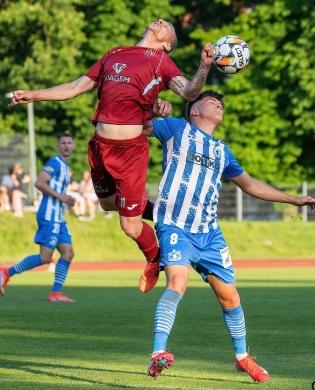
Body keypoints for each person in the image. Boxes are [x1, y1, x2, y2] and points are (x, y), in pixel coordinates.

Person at [9, 19, 215, 292]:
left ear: (167, 45)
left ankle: (155, 257)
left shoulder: (161, 61)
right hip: (100, 146)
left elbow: (189, 92)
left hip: (129, 152)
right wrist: (34, 95)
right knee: (107, 204)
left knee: (130, 226)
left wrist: (204, 66)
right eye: (161, 20)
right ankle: (165, 214)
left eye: (168, 26)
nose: (161, 21)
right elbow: (75, 87)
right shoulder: (114, 53)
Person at [141, 91, 315, 382]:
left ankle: (242, 358)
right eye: (211, 101)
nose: (218, 104)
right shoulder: (176, 128)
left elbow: (250, 184)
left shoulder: (222, 151)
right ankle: (158, 353)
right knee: (177, 282)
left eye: (220, 103)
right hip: (175, 226)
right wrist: (151, 109)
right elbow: (139, 125)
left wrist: (293, 199)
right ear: (194, 111)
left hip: (210, 234)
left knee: (230, 297)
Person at [0, 132, 76, 302]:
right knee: (45, 257)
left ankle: (56, 293)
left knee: (68, 253)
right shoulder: (55, 163)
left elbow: (58, 191)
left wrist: (67, 199)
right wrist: (61, 197)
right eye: (63, 143)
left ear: (73, 146)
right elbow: (39, 183)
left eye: (69, 143)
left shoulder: (66, 166)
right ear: (58, 146)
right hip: (49, 215)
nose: (66, 145)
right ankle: (5, 272)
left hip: (58, 217)